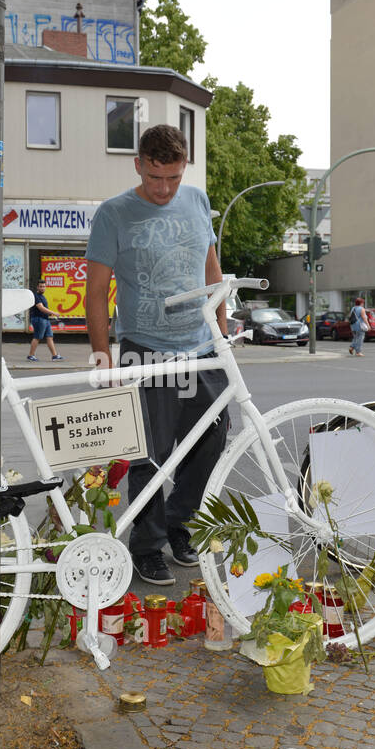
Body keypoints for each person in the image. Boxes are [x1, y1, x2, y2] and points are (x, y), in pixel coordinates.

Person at [85, 124, 228, 587]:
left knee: (210, 442)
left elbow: (212, 271)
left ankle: (180, 525)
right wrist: (102, 355)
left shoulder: (198, 201)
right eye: (154, 178)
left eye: (172, 177)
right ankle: (146, 546)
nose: (164, 189)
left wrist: (222, 338)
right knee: (148, 452)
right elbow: (96, 291)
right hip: (145, 349)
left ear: (184, 167)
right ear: (138, 166)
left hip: (201, 345)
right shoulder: (113, 214)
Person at [26, 281, 64, 361]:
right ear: (37, 287)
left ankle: (54, 356)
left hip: (45, 319)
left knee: (49, 337)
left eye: (44, 286)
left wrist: (49, 314)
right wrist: (54, 313)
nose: (42, 288)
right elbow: (41, 308)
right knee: (37, 337)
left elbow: (43, 309)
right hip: (39, 319)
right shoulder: (36, 296)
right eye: (41, 286)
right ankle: (30, 355)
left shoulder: (42, 296)